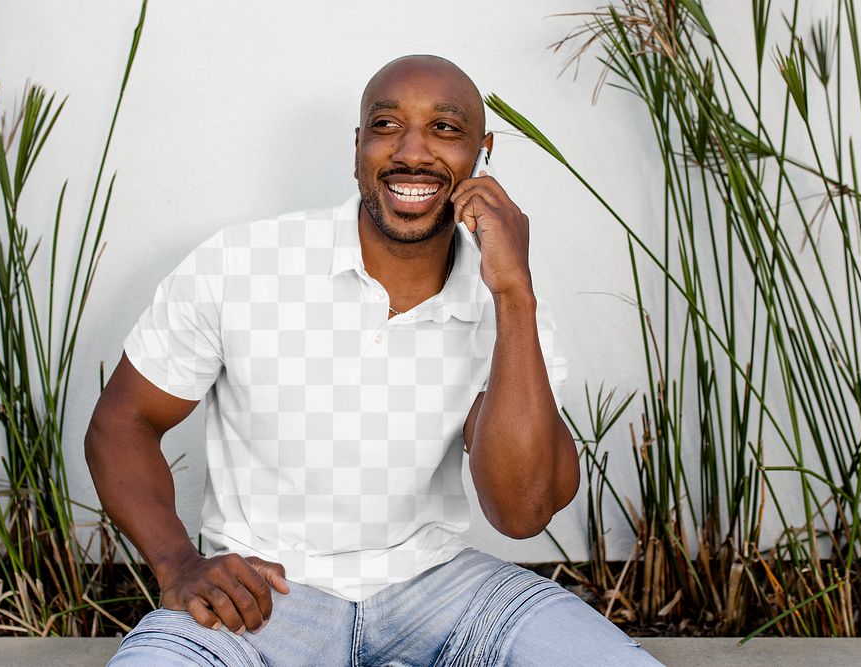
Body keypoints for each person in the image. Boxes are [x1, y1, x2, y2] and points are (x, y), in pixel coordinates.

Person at [86, 54, 662, 666]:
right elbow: (123, 422)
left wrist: (514, 295)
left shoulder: (505, 301)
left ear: (482, 152)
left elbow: (523, 510)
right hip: (267, 596)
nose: (412, 152)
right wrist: (178, 562)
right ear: (357, 146)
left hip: (441, 588)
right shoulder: (240, 265)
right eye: (387, 125)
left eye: (445, 128)